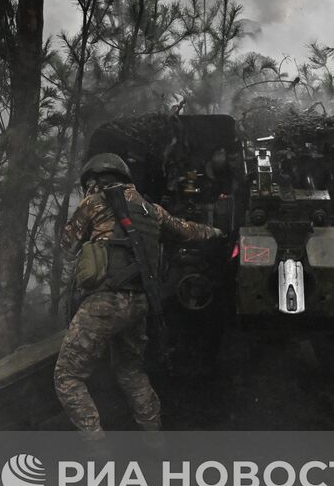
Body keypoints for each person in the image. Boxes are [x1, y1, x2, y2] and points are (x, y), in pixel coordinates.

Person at [54, 153, 221, 438]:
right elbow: (187, 231)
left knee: (68, 376)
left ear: (94, 180)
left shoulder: (94, 203)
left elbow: (67, 245)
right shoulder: (151, 210)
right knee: (130, 371)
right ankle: (154, 443)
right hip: (140, 304)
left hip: (104, 303)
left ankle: (97, 449)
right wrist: (217, 231)